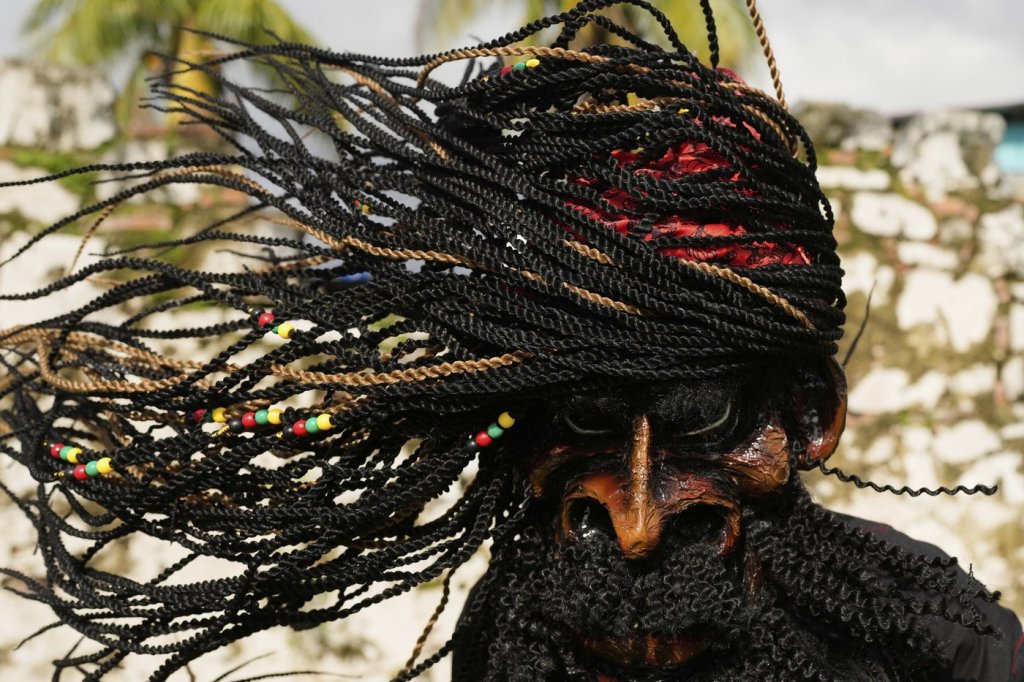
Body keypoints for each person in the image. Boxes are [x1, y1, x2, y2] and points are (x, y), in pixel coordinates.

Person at [0, 1, 1019, 680]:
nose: (633, 522)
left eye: (702, 418)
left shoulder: (931, 637)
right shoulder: (516, 626)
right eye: (581, 416)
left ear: (809, 416)